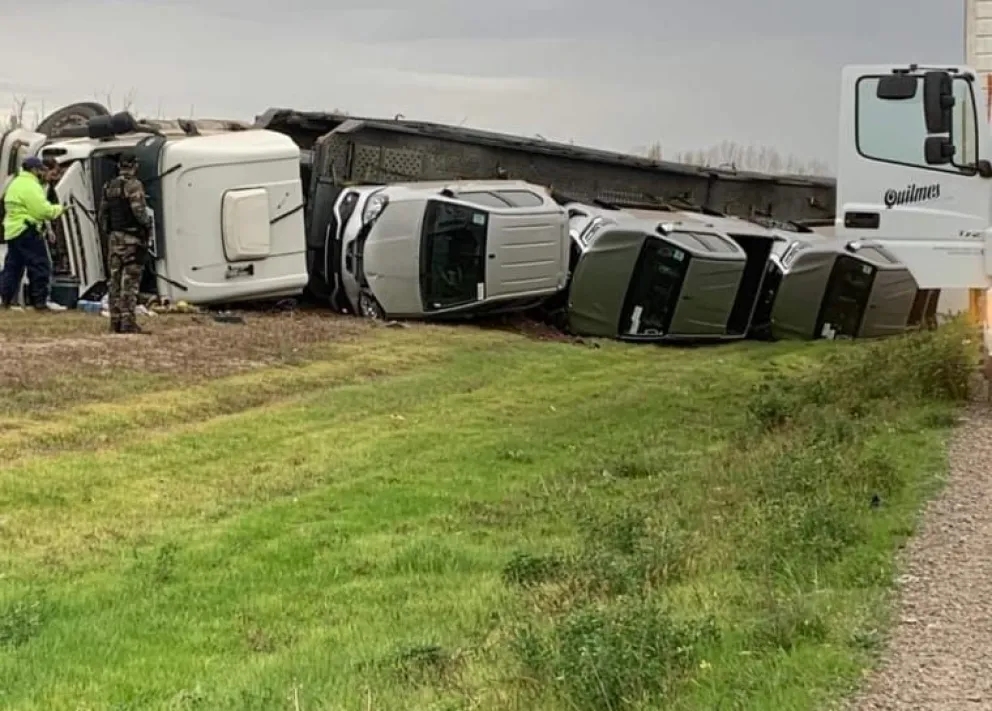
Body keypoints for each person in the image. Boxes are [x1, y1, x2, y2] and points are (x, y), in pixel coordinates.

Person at [0, 156, 67, 311]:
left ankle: (5, 300)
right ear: (35, 170)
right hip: (27, 230)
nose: (44, 173)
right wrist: (59, 209)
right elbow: (42, 211)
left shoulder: (15, 183)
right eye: (42, 170)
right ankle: (40, 303)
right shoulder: (31, 185)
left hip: (13, 231)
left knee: (13, 268)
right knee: (40, 266)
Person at [98, 154, 152, 334]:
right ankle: (128, 322)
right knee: (130, 281)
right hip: (132, 239)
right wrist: (147, 226)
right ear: (134, 166)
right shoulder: (134, 185)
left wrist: (110, 232)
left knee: (114, 281)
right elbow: (139, 212)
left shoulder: (108, 186)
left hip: (115, 239)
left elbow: (102, 215)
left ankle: (115, 322)